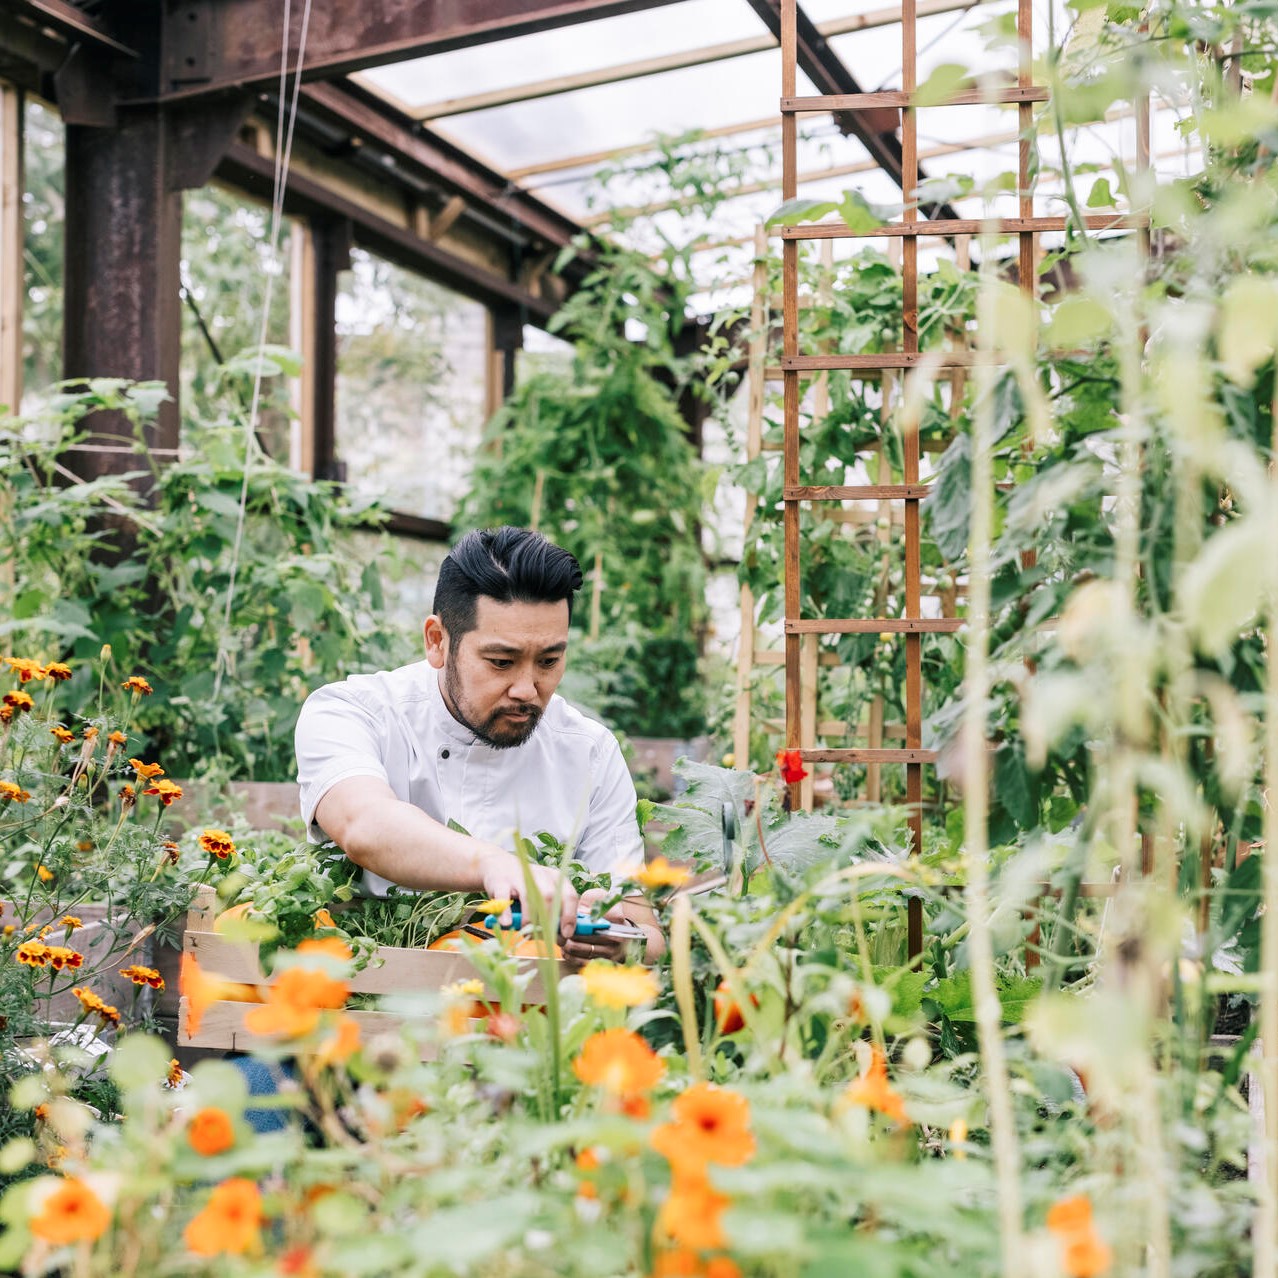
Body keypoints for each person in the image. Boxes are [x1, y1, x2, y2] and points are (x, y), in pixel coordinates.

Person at [295, 526, 663, 965]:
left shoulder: (590, 752)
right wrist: (495, 865)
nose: (527, 688)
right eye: (501, 662)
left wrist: (620, 940)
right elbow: (364, 824)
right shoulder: (353, 712)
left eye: (549, 661)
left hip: (529, 1017)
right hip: (365, 998)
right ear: (437, 641)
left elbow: (648, 934)